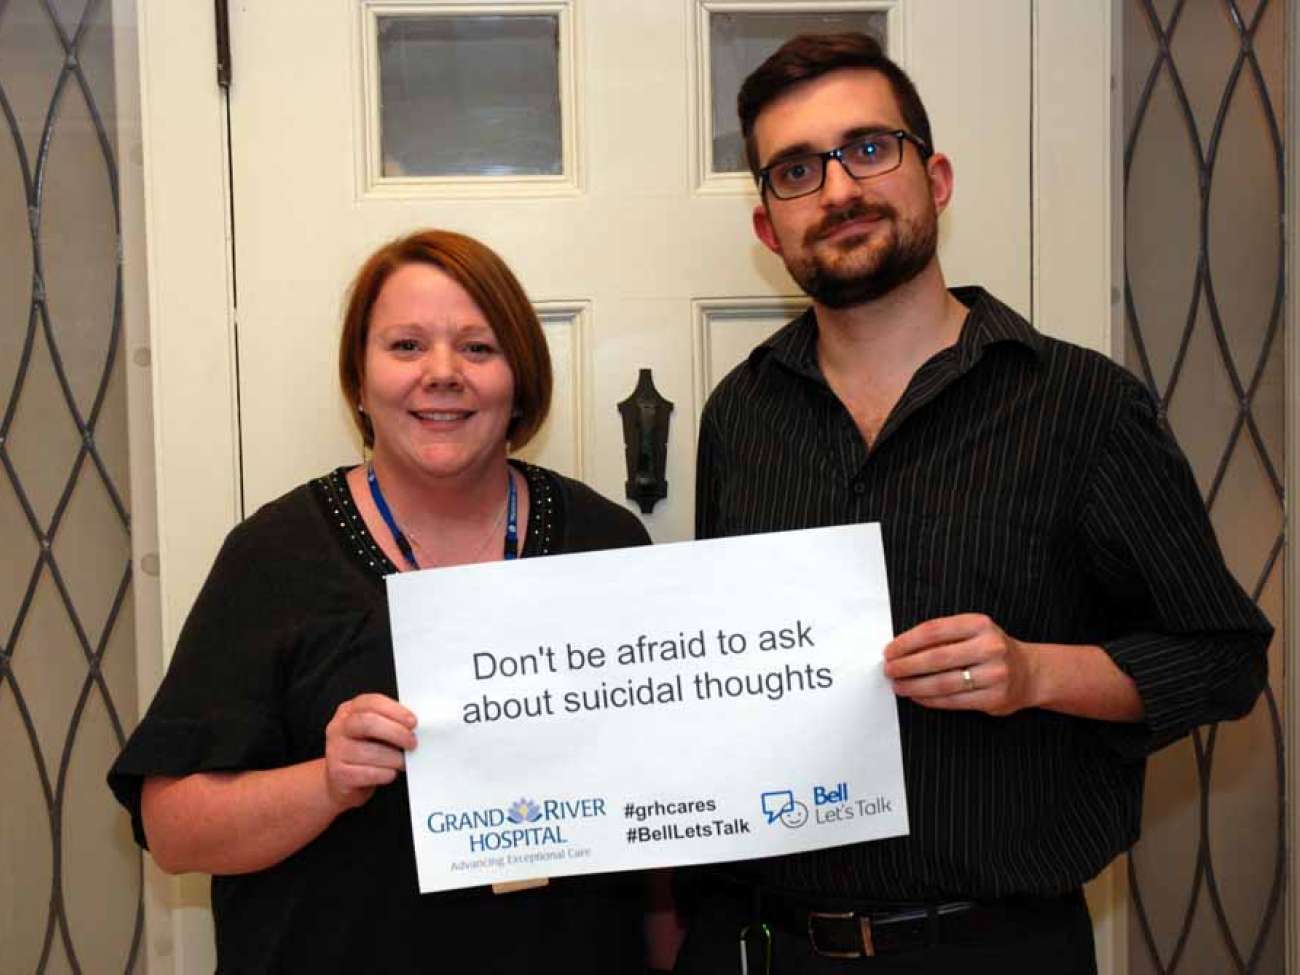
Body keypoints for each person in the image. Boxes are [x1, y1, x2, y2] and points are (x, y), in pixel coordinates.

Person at [674, 33, 1271, 973]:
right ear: (767, 227)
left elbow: (1222, 659)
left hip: (993, 945)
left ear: (935, 176)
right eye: (796, 171)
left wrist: (1036, 673)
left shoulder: (1083, 405)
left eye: (869, 149)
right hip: (765, 944)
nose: (837, 190)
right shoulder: (738, 416)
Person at [108, 229, 652, 972]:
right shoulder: (275, 556)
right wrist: (326, 783)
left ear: (520, 377)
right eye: (405, 346)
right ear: (359, 383)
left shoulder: (605, 542)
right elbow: (171, 830)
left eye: (478, 348)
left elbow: (663, 799)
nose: (442, 374)